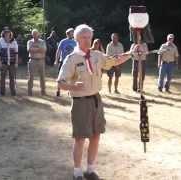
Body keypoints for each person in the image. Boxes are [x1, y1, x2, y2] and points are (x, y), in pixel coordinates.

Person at [57, 24, 138, 180]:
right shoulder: (71, 59)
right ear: (76, 39)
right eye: (84, 37)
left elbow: (113, 61)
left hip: (96, 100)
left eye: (89, 37)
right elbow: (60, 82)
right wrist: (73, 86)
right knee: (80, 138)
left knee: (96, 136)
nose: (87, 40)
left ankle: (91, 169)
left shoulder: (97, 55)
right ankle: (77, 172)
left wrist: (131, 53)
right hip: (80, 102)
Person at [0, 27, 19, 96]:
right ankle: (2, 92)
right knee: (2, 77)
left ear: (10, 33)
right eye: (5, 32)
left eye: (8, 32)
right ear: (3, 33)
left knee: (12, 77)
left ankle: (13, 92)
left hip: (12, 62)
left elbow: (16, 53)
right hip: (3, 62)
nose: (7, 33)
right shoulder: (0, 40)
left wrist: (16, 62)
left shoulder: (14, 41)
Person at [55, 28, 77, 96]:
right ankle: (58, 90)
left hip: (72, 62)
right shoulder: (63, 41)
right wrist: (56, 60)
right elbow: (58, 51)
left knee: (72, 77)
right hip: (63, 61)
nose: (73, 34)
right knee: (60, 77)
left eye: (73, 32)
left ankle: (70, 91)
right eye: (72, 32)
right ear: (67, 34)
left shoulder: (75, 42)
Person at [27, 29, 47, 96]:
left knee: (42, 76)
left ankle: (43, 91)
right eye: (34, 34)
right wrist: (39, 49)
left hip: (41, 60)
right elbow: (29, 49)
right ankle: (29, 91)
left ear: (38, 34)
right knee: (31, 76)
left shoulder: (42, 41)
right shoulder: (29, 42)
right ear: (32, 35)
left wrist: (34, 49)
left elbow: (44, 50)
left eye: (36, 34)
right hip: (32, 60)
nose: (35, 35)